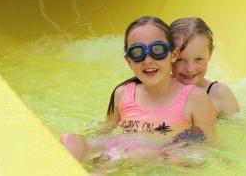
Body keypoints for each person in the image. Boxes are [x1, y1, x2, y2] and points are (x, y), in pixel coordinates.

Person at [60, 16, 216, 168]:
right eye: (137, 53)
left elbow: (208, 148)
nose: (147, 60)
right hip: (116, 154)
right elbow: (106, 131)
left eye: (157, 50)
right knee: (70, 140)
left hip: (152, 160)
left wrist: (164, 156)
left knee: (130, 155)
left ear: (173, 54)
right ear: (129, 61)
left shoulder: (195, 98)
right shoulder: (122, 93)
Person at [170, 17, 240, 118]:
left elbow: (237, 130)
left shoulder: (219, 94)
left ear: (210, 53)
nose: (189, 69)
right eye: (180, 60)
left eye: (198, 59)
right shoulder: (160, 90)